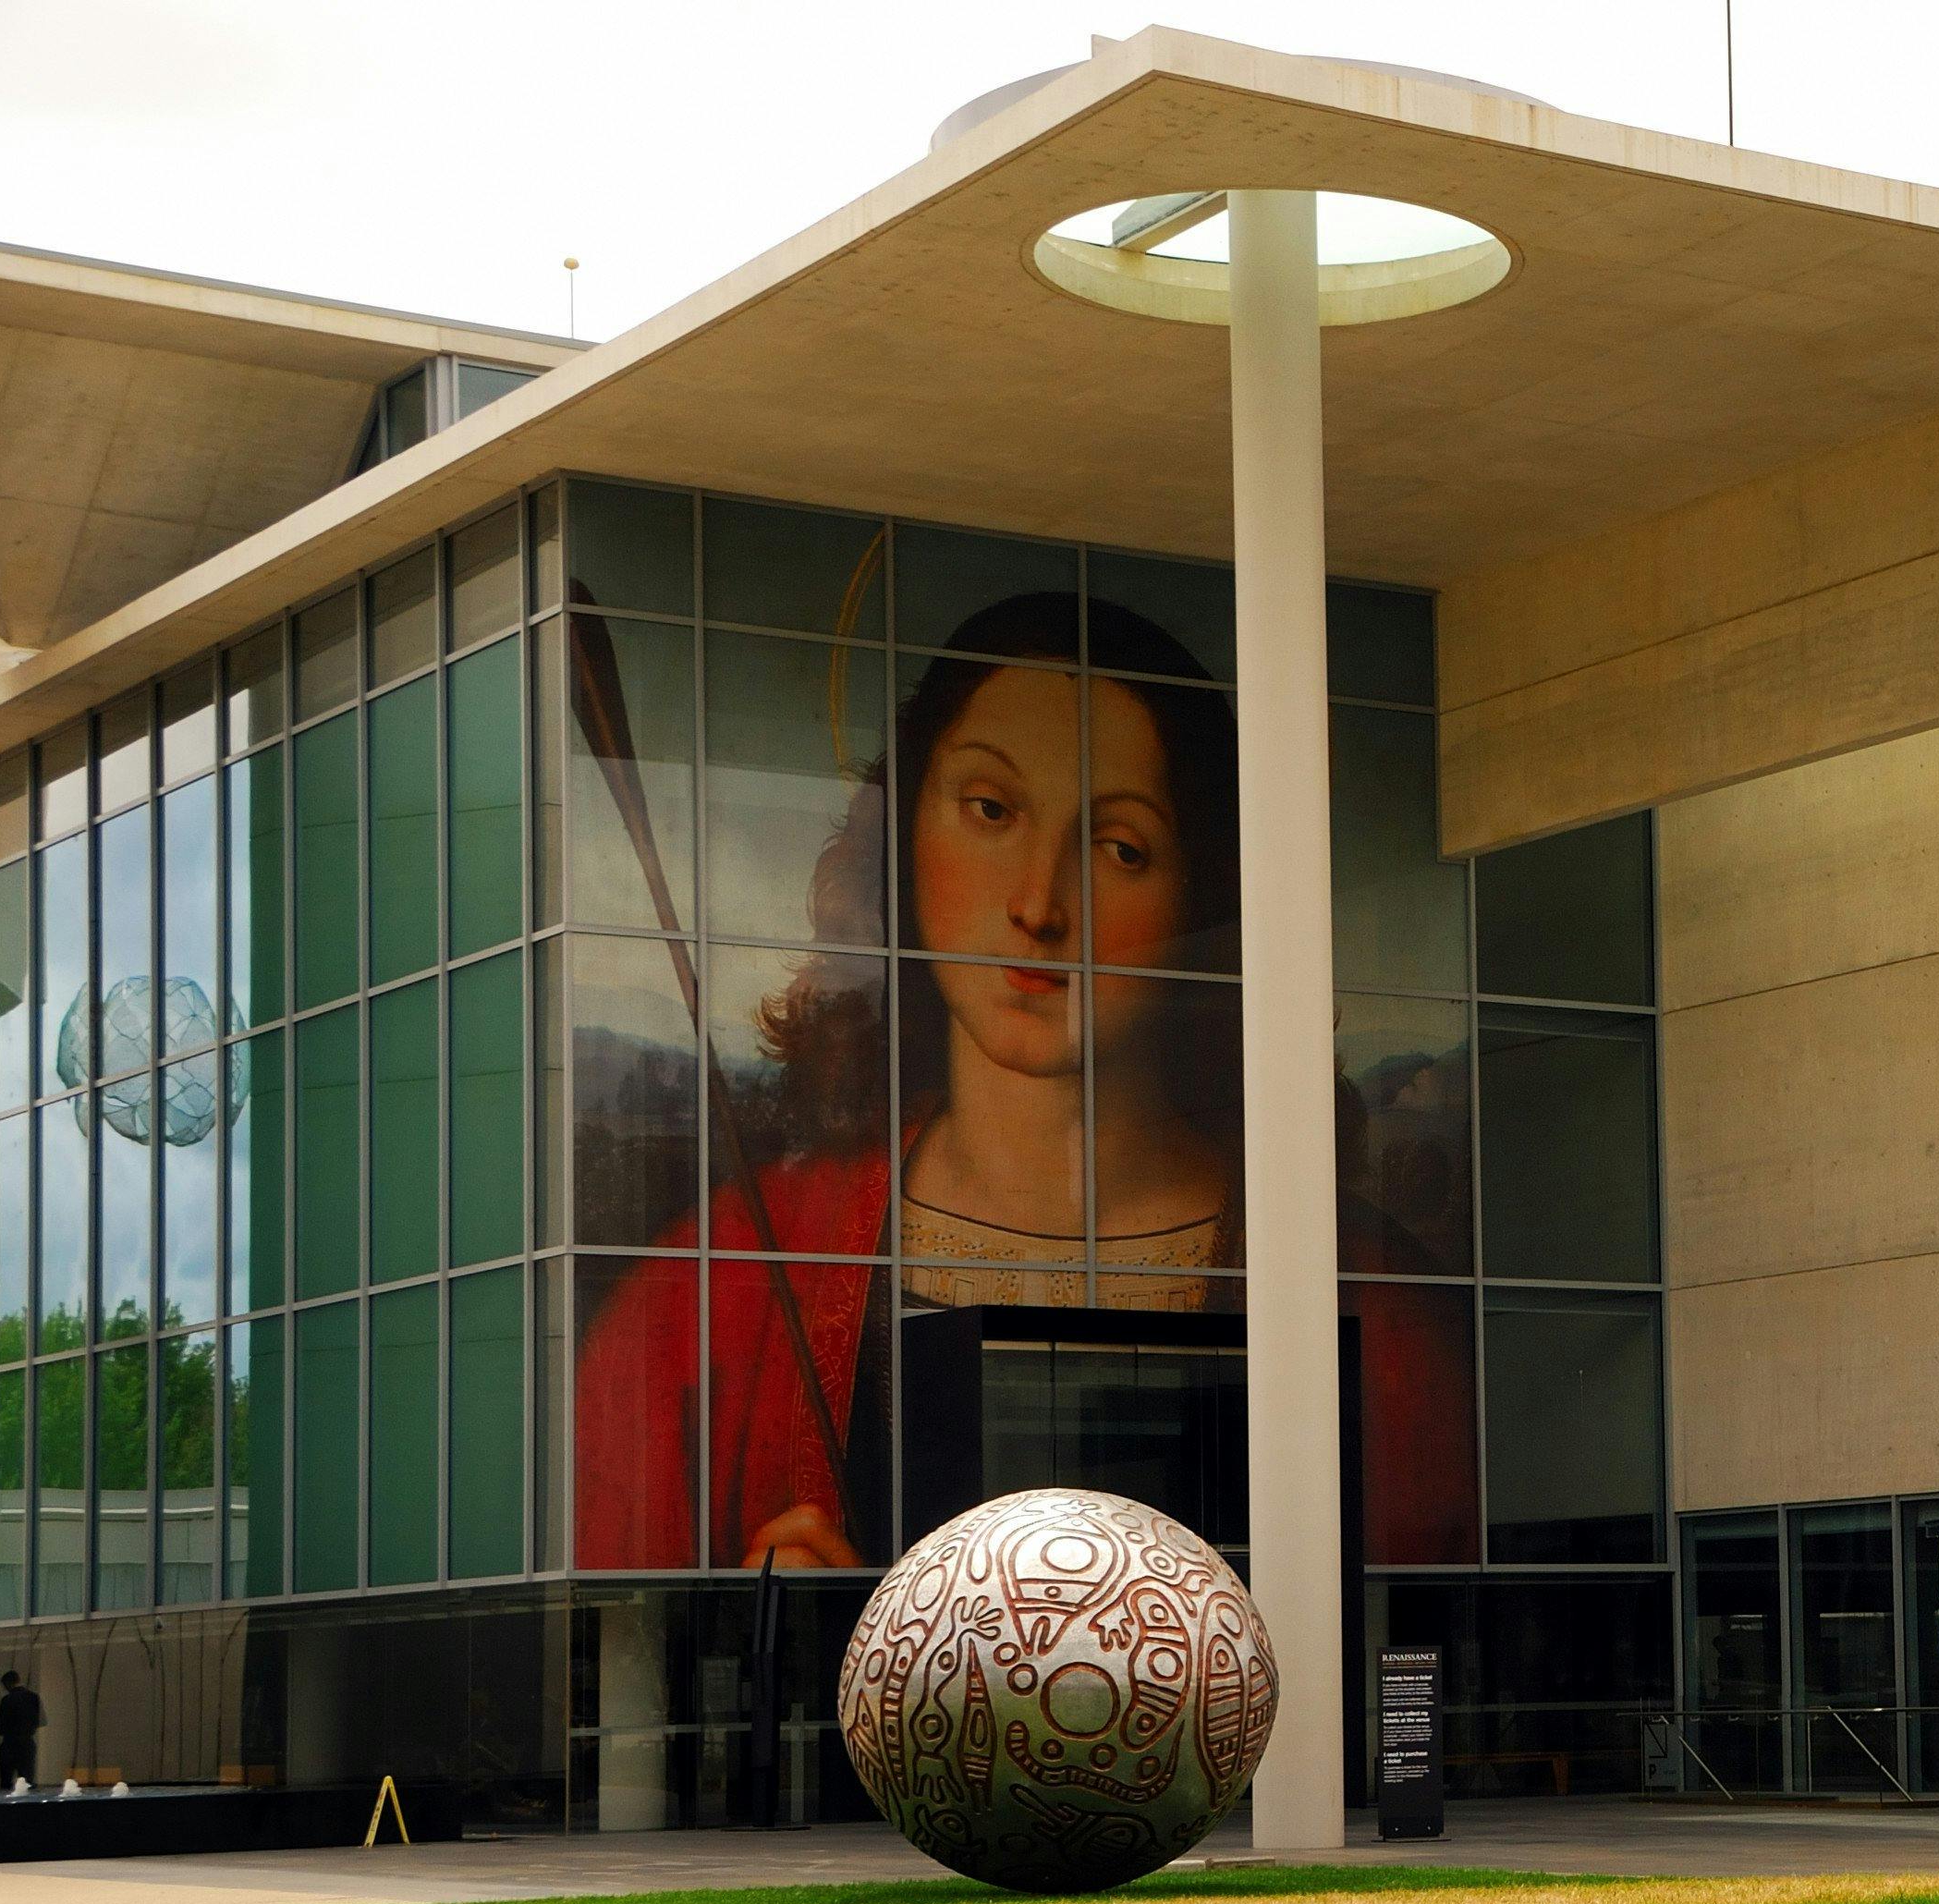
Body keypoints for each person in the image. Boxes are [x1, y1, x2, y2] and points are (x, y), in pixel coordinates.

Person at [571, 591, 1478, 1573]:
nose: (1039, 903)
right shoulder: (729, 1278)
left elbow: (1405, 1635)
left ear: (1203, 893)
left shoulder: (1366, 1297)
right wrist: (771, 1630)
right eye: (990, 810)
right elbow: (617, 1649)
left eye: (1119, 847)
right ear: (905, 841)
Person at [0, 1669, 38, 1793]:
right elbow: (41, 1721)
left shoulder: (6, 1700)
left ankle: (4, 1811)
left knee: (6, 1782)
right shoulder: (33, 1698)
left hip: (9, 1744)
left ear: (8, 1683)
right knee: (27, 1782)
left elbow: (0, 1728)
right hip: (27, 1744)